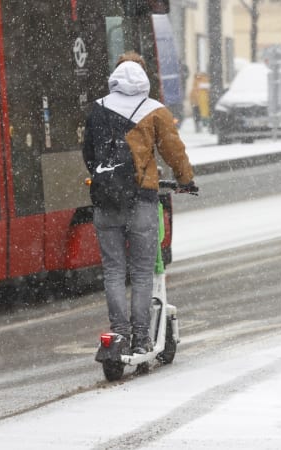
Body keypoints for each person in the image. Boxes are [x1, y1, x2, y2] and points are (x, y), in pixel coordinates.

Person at [82, 51, 196, 354]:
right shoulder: (155, 111)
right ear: (145, 78)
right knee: (143, 272)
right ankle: (142, 337)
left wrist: (108, 179)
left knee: (114, 270)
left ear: (115, 77)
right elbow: (174, 151)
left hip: (105, 201)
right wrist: (186, 179)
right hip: (142, 200)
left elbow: (89, 154)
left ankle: (119, 332)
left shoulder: (98, 109)